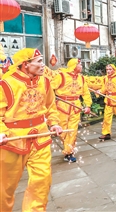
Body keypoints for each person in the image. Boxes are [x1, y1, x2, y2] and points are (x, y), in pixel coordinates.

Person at [0, 48, 63, 211]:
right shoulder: (6, 83)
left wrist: (54, 123)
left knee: (42, 182)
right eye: (39, 61)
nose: (43, 65)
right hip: (12, 141)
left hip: (40, 137)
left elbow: (50, 106)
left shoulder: (45, 81)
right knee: (5, 188)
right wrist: (1, 132)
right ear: (25, 64)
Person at [51, 58, 92, 162]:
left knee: (73, 131)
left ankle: (69, 152)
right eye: (80, 64)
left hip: (76, 106)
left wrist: (87, 105)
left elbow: (86, 93)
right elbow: (49, 88)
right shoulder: (61, 76)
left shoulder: (81, 78)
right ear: (74, 66)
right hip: (62, 106)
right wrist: (52, 98)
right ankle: (68, 148)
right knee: (63, 130)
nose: (82, 66)